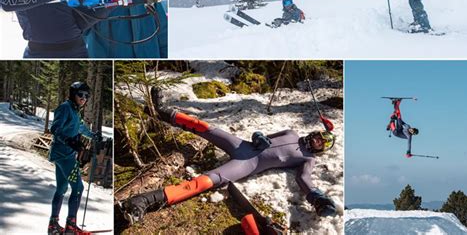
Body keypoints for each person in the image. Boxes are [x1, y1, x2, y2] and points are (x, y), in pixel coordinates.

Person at [120, 99, 338, 225]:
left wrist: (318, 199)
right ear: (315, 133)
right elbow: (263, 135)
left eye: (323, 144)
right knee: (205, 127)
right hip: (242, 145)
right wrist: (259, 137)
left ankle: (143, 201)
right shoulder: (291, 132)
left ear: (322, 149)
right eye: (320, 137)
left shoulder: (307, 159)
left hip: (247, 164)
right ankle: (161, 111)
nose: (318, 141)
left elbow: (304, 179)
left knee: (202, 183)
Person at [47, 82, 100, 235]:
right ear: (73, 94)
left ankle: (53, 225)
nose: (84, 98)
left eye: (86, 96)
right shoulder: (65, 108)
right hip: (64, 155)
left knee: (62, 189)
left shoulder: (75, 111)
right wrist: (69, 141)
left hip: (64, 154)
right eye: (80, 94)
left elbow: (81, 127)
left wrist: (94, 136)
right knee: (78, 188)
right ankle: (71, 226)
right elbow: (55, 128)